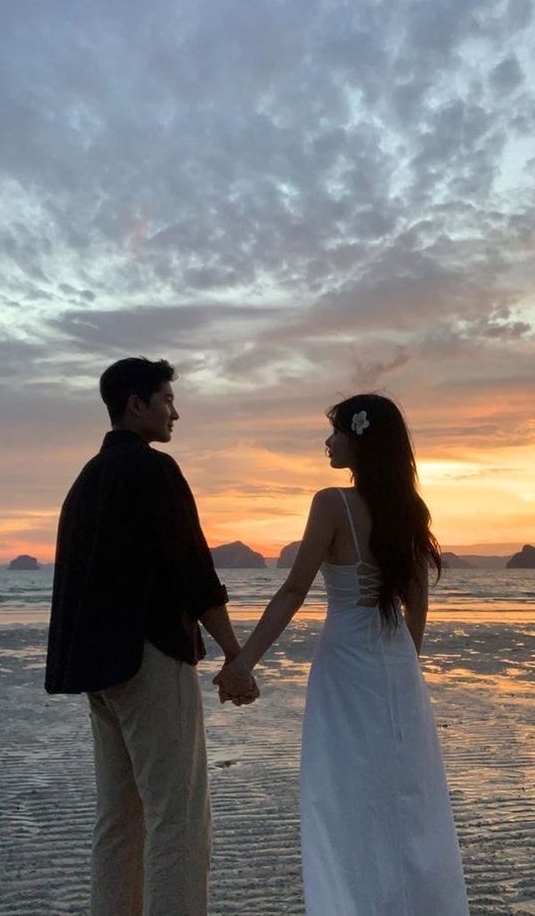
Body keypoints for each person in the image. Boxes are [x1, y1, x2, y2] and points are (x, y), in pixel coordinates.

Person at [215, 393, 469, 915]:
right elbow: (416, 599)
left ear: (361, 439)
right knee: (408, 795)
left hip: (345, 660)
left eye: (335, 432)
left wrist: (245, 661)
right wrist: (405, 665)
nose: (327, 442)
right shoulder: (409, 509)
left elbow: (293, 591)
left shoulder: (332, 502)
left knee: (345, 792)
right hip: (396, 658)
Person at [45, 356, 257, 916]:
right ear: (135, 404)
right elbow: (193, 570)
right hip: (149, 660)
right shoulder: (154, 470)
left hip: (99, 671)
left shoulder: (85, 481)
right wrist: (235, 653)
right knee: (179, 817)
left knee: (120, 818)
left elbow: (72, 585)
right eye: (166, 399)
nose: (176, 412)